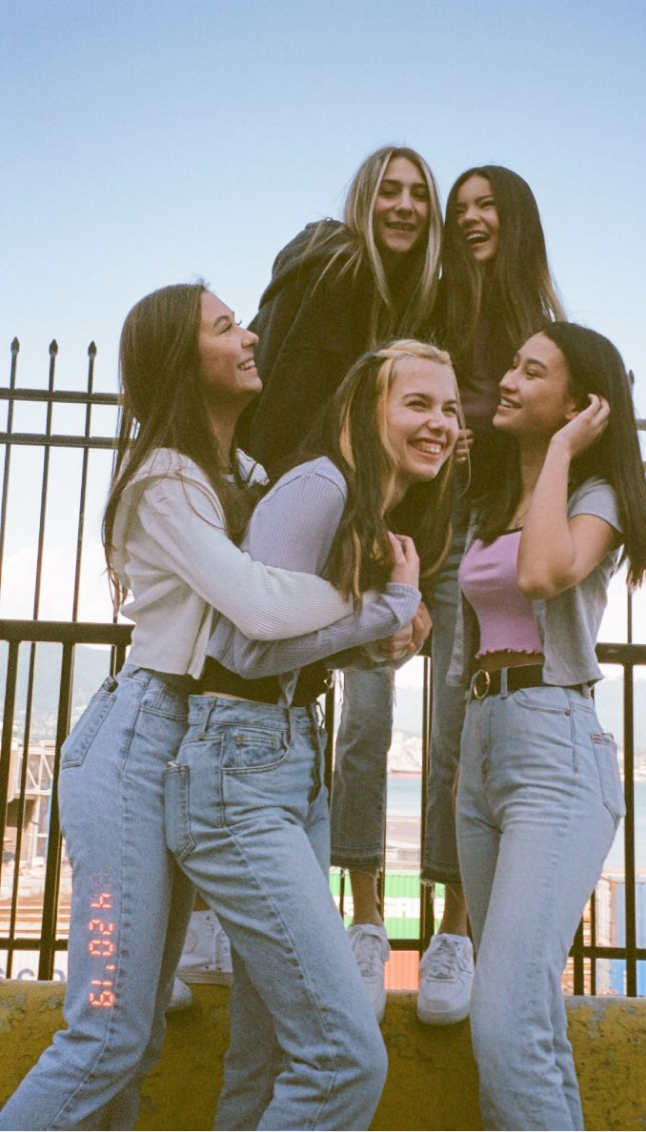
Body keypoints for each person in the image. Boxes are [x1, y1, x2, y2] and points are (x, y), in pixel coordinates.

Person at [0, 282, 373, 1131]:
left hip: (203, 751)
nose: (250, 338)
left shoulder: (243, 476)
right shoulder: (163, 482)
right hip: (132, 753)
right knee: (107, 1031)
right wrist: (367, 596)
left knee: (144, 1040)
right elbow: (260, 607)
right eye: (225, 326)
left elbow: (279, 626)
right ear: (181, 360)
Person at [164, 339, 459, 1129]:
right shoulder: (320, 485)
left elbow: (298, 644)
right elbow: (246, 644)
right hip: (238, 767)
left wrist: (379, 639)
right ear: (370, 408)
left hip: (287, 761)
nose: (442, 423)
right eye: (419, 403)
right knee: (345, 1060)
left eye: (452, 408)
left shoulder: (369, 507)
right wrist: (385, 612)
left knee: (264, 1063)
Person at [194, 145, 451, 1022]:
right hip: (303, 493)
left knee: (292, 678)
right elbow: (301, 385)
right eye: (391, 189)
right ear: (363, 197)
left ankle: (215, 918)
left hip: (334, 508)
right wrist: (295, 491)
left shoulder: (409, 298)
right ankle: (202, 917)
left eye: (420, 194)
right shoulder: (342, 266)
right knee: (250, 663)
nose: (406, 206)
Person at [451, 323, 646, 1130]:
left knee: (502, 1020)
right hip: (483, 741)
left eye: (530, 372)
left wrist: (565, 452)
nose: (507, 379)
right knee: (520, 1012)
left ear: (579, 407)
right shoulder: (495, 497)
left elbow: (542, 575)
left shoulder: (592, 499)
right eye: (511, 363)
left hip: (553, 748)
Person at [413, 165, 566, 1025]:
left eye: (487, 208)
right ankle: (379, 922)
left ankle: (454, 931)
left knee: (460, 736)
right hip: (418, 531)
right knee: (368, 723)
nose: (471, 220)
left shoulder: (539, 329)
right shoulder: (433, 312)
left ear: (516, 222)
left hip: (486, 538)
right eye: (460, 209)